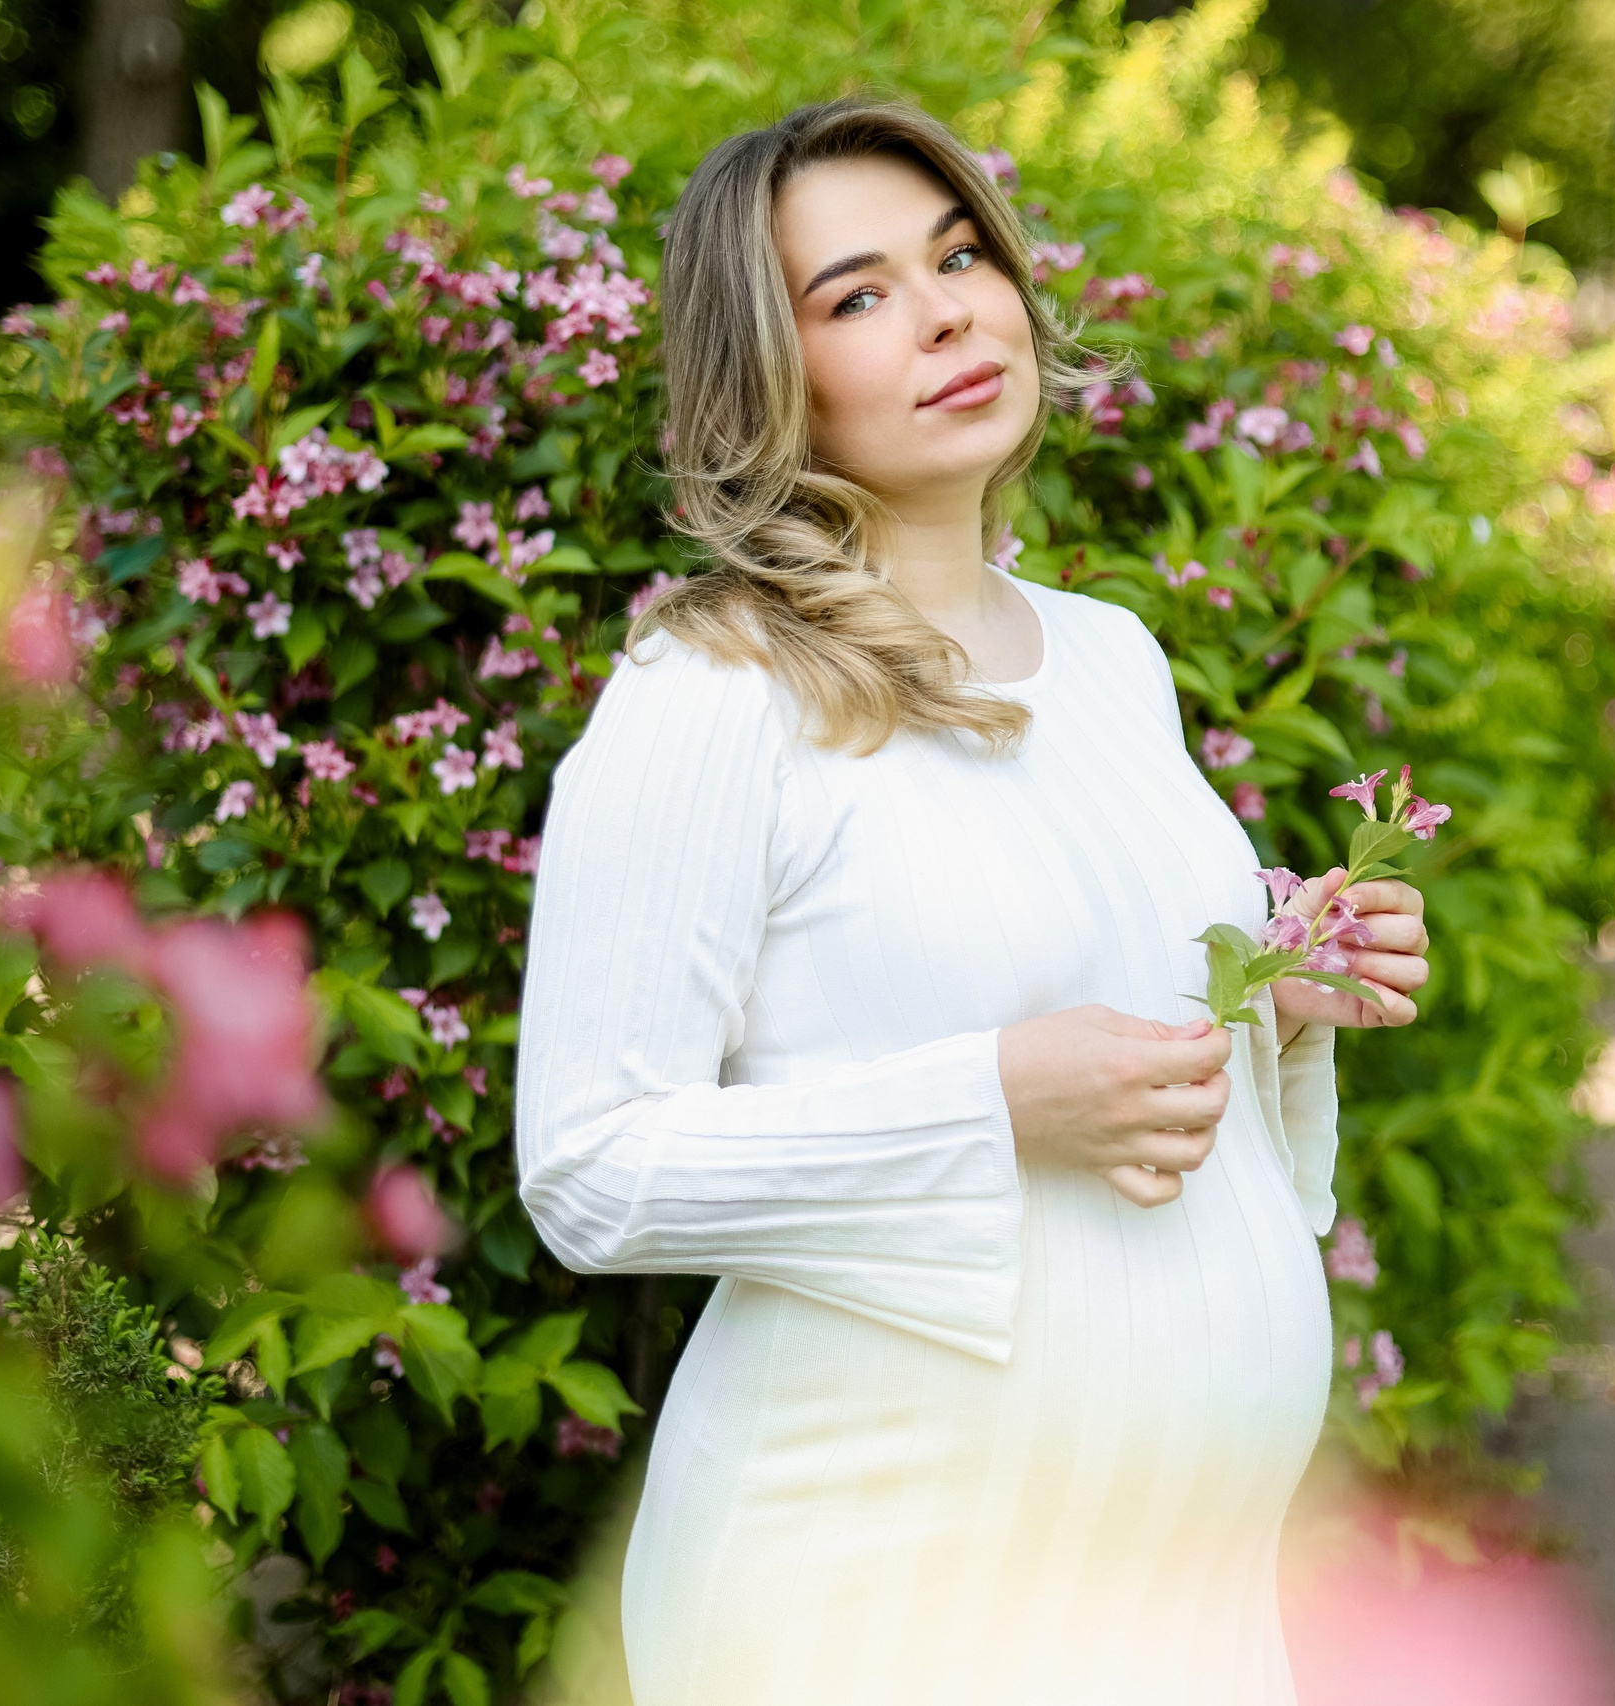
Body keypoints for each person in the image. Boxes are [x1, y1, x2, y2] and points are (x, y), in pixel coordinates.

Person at [513, 95, 1432, 1706]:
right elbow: (591, 1162)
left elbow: (1165, 1099)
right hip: (874, 1602)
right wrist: (993, 1103)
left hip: (1178, 1608)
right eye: (856, 294)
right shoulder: (711, 692)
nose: (943, 311)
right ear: (768, 377)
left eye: (958, 256)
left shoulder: (1109, 656)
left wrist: (1281, 1004)